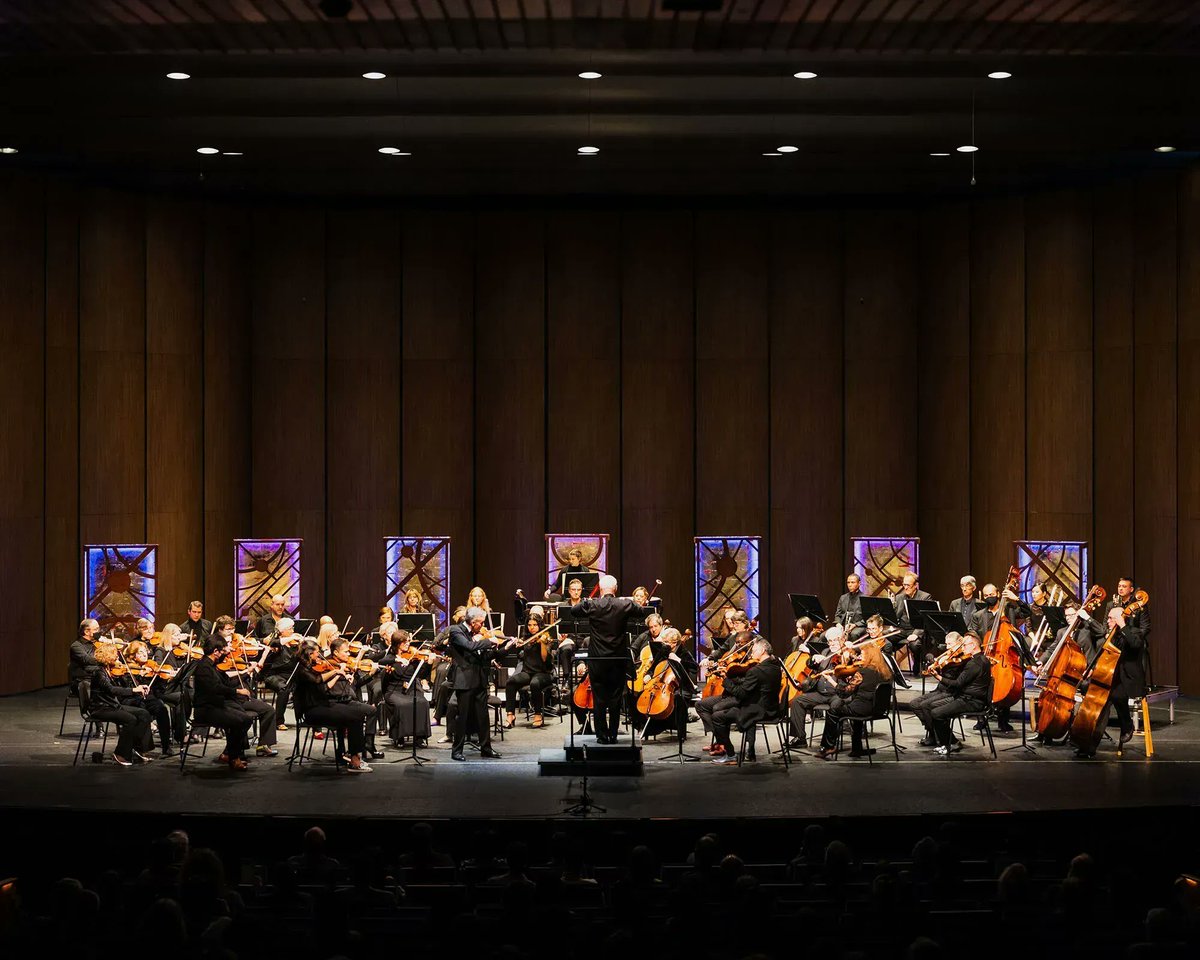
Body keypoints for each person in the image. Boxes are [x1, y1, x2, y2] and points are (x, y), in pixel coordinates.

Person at [567, 574, 656, 744]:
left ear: (600, 589)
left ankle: (602, 736)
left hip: (598, 660)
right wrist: (628, 601)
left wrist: (587, 601)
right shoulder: (624, 604)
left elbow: (574, 610)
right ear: (615, 589)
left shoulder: (593, 604)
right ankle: (613, 734)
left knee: (599, 698)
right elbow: (640, 611)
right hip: (617, 658)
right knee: (615, 697)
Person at [1074, 599, 1148, 757]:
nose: (1107, 621)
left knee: (1115, 694)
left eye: (1110, 618)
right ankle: (1087, 745)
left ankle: (1127, 724)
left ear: (1120, 618)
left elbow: (1135, 645)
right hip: (1111, 676)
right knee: (1098, 701)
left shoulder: (1134, 632)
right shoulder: (1111, 636)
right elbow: (1105, 657)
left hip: (1128, 678)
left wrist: (1123, 625)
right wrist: (1092, 669)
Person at [293, 643, 375, 773]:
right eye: (317, 652)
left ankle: (351, 755)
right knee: (354, 717)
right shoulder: (302, 670)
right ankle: (354, 761)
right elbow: (317, 680)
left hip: (323, 706)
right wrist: (335, 671)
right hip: (312, 711)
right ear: (309, 653)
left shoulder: (312, 667)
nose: (320, 655)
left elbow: (324, 688)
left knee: (357, 714)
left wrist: (338, 675)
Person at [210, 615, 280, 756]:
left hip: (241, 692)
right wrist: (244, 671)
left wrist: (261, 656)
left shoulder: (236, 646)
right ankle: (232, 752)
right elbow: (221, 676)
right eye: (228, 629)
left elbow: (251, 668)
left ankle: (263, 745)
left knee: (269, 710)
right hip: (228, 696)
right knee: (243, 718)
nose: (232, 632)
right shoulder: (214, 648)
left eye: (233, 629)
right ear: (220, 630)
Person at [707, 637, 783, 764]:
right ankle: (739, 751)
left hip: (757, 710)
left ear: (762, 651)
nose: (751, 654)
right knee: (724, 710)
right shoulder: (775, 667)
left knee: (717, 717)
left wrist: (726, 680)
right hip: (772, 708)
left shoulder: (756, 671)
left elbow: (741, 694)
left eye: (753, 651)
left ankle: (730, 755)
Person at [969, 581, 1032, 732]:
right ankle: (981, 719)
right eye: (986, 595)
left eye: (991, 594)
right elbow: (973, 633)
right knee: (980, 684)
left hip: (1004, 656)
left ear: (998, 594)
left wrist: (1016, 599)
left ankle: (1003, 720)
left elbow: (1027, 612)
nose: (989, 597)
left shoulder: (1009, 610)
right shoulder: (978, 615)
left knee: (1005, 683)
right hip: (986, 654)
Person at [815, 642, 893, 760]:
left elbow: (845, 693)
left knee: (833, 711)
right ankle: (857, 748)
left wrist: (831, 681)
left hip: (862, 709)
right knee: (854, 709)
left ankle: (828, 746)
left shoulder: (862, 672)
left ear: (869, 656)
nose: (860, 657)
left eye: (863, 654)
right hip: (878, 709)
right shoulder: (884, 672)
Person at [447, 606, 503, 760]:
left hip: (479, 679)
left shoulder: (476, 634)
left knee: (483, 716)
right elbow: (469, 646)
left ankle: (486, 748)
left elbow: (483, 656)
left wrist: (504, 647)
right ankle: (456, 750)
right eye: (481, 623)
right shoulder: (456, 631)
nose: (483, 626)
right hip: (464, 681)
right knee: (463, 717)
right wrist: (488, 641)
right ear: (473, 622)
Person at [191, 637, 255, 771]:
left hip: (215, 706)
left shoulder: (212, 666)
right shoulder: (204, 667)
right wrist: (238, 691)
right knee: (241, 721)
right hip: (205, 709)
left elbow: (225, 683)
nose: (224, 654)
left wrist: (245, 674)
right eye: (223, 651)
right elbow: (215, 688)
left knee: (245, 719)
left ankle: (231, 754)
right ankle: (234, 757)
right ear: (216, 651)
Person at [89, 642, 155, 766]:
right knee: (130, 719)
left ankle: (138, 748)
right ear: (108, 656)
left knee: (144, 714)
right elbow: (111, 690)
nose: (117, 657)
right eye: (115, 655)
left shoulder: (109, 670)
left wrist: (137, 683)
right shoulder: (99, 672)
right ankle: (120, 753)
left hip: (112, 705)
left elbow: (120, 687)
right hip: (101, 708)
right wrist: (134, 690)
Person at [926, 632, 991, 755]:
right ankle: (949, 742)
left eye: (964, 645)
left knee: (936, 713)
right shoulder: (982, 659)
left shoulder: (974, 664)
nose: (962, 648)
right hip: (968, 698)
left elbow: (957, 683)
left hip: (972, 701)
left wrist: (938, 677)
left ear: (973, 645)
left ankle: (949, 744)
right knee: (933, 708)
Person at [787, 625, 846, 748]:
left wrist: (846, 655)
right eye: (830, 641)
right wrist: (813, 659)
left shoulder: (846, 654)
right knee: (797, 701)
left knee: (835, 706)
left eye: (835, 640)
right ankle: (800, 738)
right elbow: (811, 666)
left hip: (837, 694)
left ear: (842, 639)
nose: (832, 644)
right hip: (821, 693)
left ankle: (828, 744)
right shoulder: (826, 652)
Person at [909, 631, 967, 747]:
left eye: (950, 644)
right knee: (914, 704)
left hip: (950, 692)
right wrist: (934, 662)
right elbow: (929, 654)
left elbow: (954, 679)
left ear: (959, 642)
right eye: (947, 644)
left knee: (925, 705)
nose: (948, 647)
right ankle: (934, 732)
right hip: (940, 689)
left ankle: (938, 736)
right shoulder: (948, 655)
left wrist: (942, 667)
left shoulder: (963, 659)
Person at [123, 639, 178, 757]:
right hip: (133, 700)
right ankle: (141, 747)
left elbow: (158, 689)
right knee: (143, 711)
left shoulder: (151, 666)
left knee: (162, 709)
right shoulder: (128, 669)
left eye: (145, 652)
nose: (145, 655)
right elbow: (128, 688)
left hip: (149, 699)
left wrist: (164, 677)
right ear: (133, 656)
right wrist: (140, 677)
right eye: (140, 652)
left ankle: (166, 746)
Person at [381, 628, 433, 746]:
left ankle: (419, 736)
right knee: (401, 705)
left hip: (411, 689)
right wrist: (397, 659)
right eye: (404, 642)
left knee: (422, 702)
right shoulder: (391, 657)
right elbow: (381, 661)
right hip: (394, 690)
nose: (408, 644)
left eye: (408, 641)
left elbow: (421, 675)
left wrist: (429, 663)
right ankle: (399, 736)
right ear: (397, 644)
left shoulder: (413, 657)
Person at [504, 614, 554, 729]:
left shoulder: (545, 638)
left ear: (540, 626)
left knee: (534, 683)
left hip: (544, 673)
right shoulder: (526, 639)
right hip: (528, 672)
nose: (532, 627)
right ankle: (510, 715)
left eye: (535, 625)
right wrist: (518, 644)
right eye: (530, 625)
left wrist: (543, 643)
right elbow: (520, 654)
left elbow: (544, 659)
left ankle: (538, 714)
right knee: (511, 682)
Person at [260, 616, 300, 730]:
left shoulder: (295, 644)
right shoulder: (276, 643)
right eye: (290, 628)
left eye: (293, 628)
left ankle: (307, 720)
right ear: (282, 631)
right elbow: (272, 643)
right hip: (275, 676)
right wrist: (291, 638)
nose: (293, 631)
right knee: (284, 688)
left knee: (308, 686)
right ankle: (279, 721)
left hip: (292, 676)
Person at [69, 618, 101, 693]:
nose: (98, 632)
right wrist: (106, 660)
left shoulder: (97, 643)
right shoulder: (76, 646)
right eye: (96, 629)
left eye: (98, 629)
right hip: (84, 680)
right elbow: (87, 660)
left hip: (96, 675)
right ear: (86, 632)